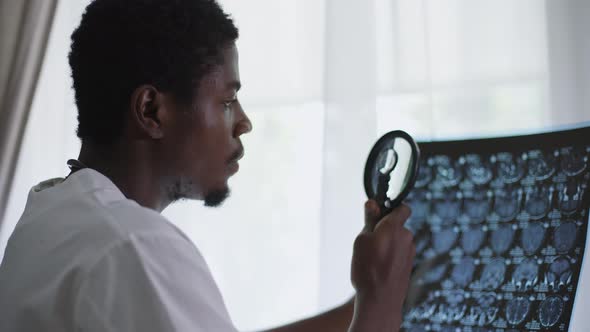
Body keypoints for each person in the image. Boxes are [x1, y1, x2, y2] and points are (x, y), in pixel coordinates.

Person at [0, 0, 415, 331]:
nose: (244, 122)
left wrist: (358, 305)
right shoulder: (133, 246)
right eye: (227, 101)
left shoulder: (51, 214)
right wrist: (380, 304)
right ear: (151, 110)